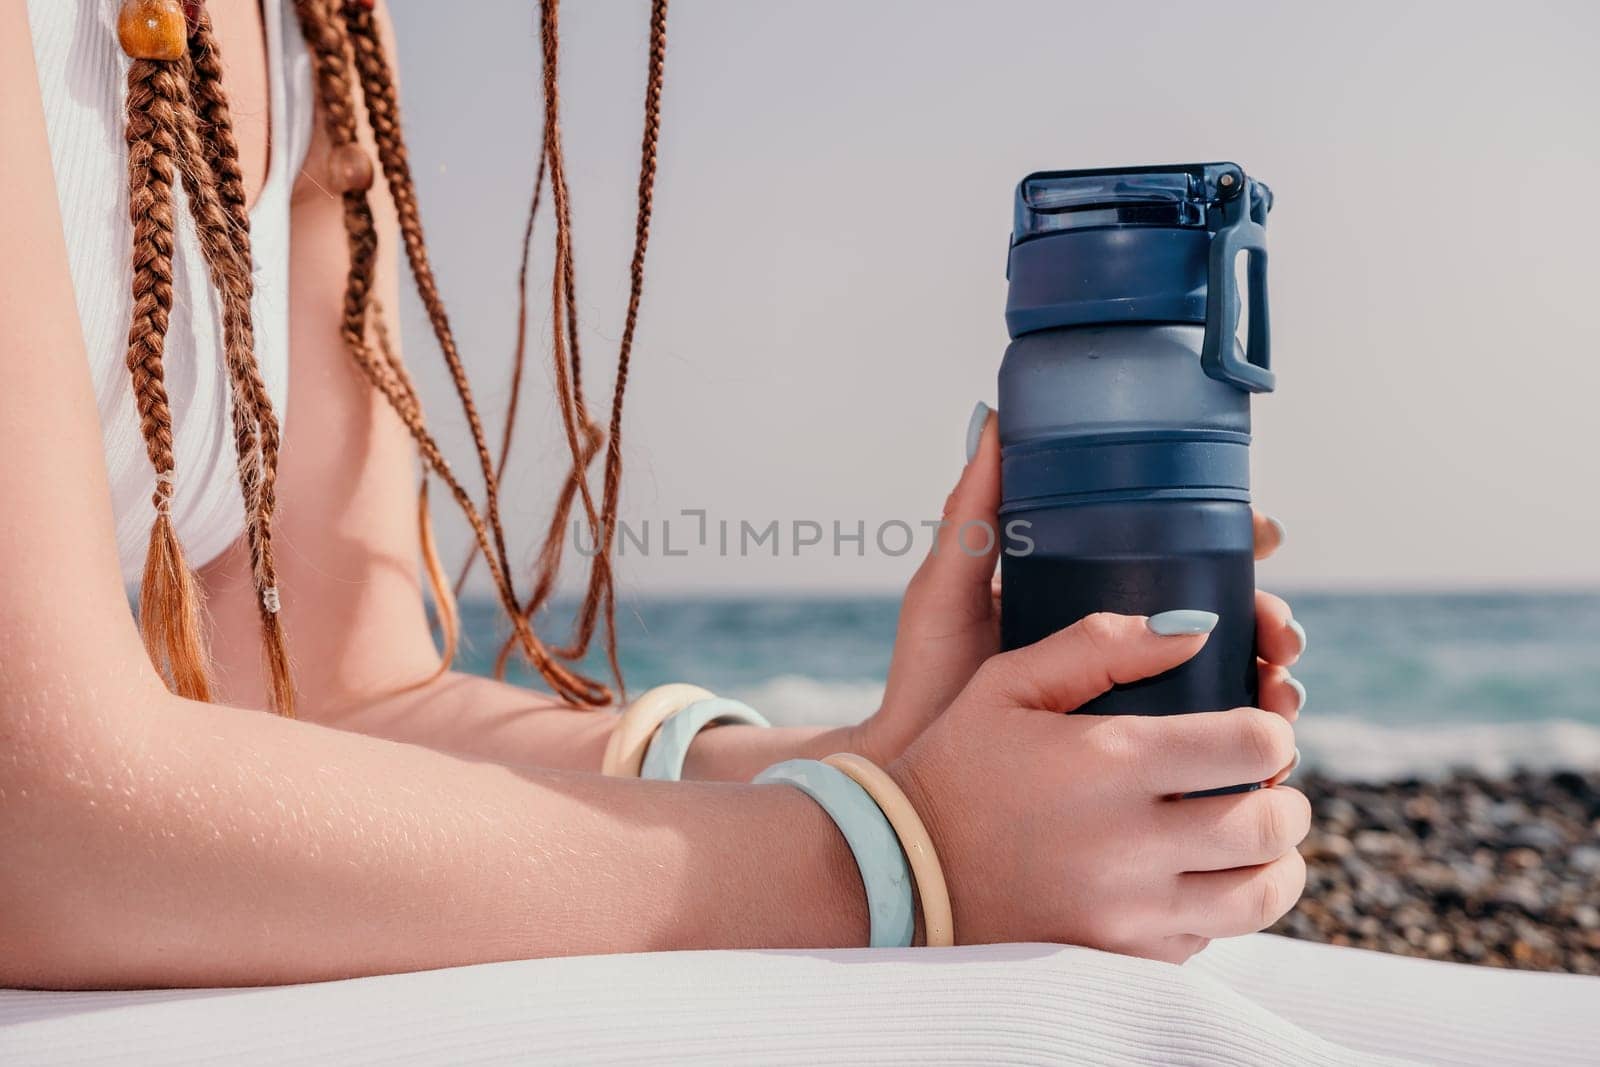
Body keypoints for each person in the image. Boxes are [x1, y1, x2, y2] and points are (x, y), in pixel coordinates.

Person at [0, 0, 1310, 990]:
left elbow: (340, 700)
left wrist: (874, 762)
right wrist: (898, 855)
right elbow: (38, 820)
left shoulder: (318, 24)